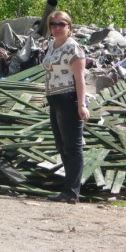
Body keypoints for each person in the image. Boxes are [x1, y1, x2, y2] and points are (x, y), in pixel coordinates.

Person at [42, 11, 90, 203]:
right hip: (54, 99)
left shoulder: (74, 48)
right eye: (53, 24)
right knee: (62, 145)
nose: (57, 28)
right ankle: (67, 189)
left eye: (61, 24)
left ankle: (72, 192)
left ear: (69, 26)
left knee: (73, 146)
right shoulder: (52, 46)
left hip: (69, 98)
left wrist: (82, 104)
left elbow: (80, 78)